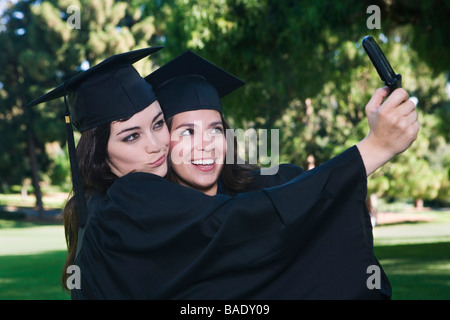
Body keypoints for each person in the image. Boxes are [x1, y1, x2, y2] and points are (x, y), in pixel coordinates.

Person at [28, 48, 418, 300]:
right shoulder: (121, 212)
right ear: (100, 156)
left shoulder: (272, 181)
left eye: (159, 123)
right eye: (131, 136)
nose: (155, 144)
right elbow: (240, 225)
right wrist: (373, 148)